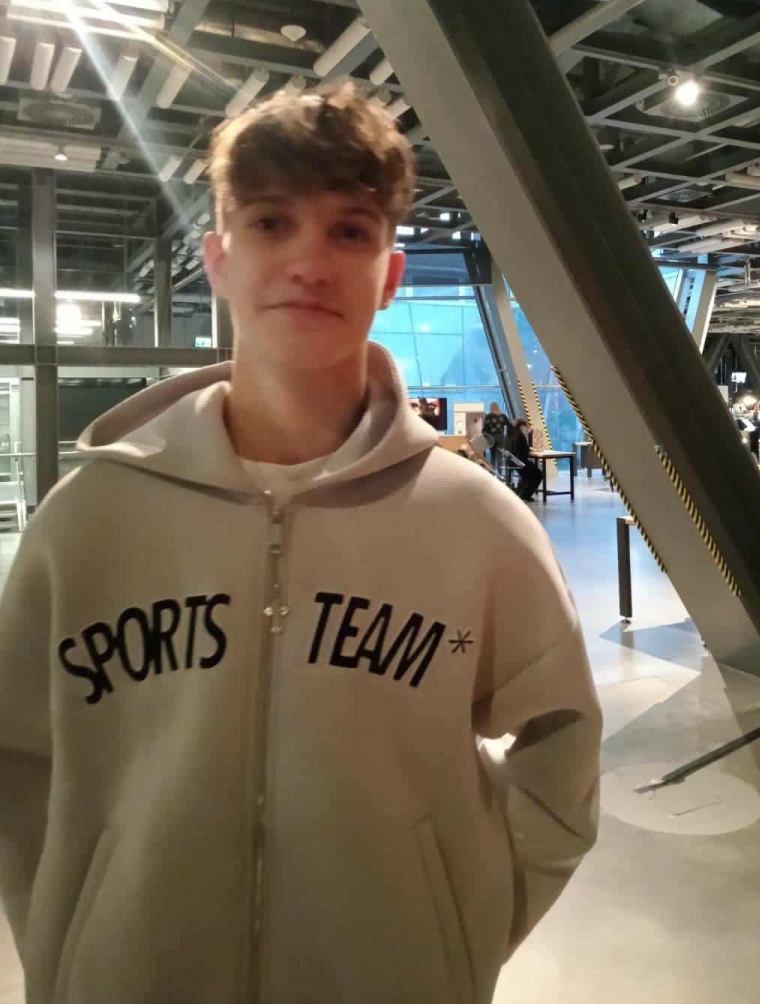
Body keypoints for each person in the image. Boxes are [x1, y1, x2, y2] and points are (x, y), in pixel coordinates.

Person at [0, 84, 601, 1004]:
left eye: (350, 232)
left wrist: (465, 924)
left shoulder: (476, 525)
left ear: (390, 276)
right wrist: (67, 940)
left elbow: (561, 741)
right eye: (271, 223)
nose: (310, 262)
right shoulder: (88, 521)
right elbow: (17, 759)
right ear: (219, 259)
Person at [508, 418, 544, 502]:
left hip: (512, 461)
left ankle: (520, 494)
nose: (526, 429)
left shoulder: (511, 434)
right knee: (538, 474)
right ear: (522, 426)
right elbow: (525, 451)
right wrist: (530, 448)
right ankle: (526, 495)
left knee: (526, 476)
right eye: (526, 427)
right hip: (520, 462)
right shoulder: (520, 435)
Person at [481, 400, 511, 469]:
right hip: (501, 437)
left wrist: (485, 436)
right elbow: (509, 425)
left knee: (493, 456)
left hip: (491, 438)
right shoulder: (503, 416)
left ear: (491, 408)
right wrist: (507, 435)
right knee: (500, 455)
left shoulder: (488, 416)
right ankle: (500, 473)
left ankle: (492, 472)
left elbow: (485, 428)